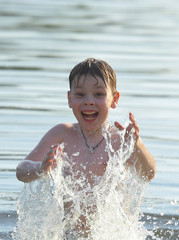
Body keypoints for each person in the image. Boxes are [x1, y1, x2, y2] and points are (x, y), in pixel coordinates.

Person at [16, 58, 156, 237]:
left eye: (99, 94)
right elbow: (21, 171)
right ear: (69, 99)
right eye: (80, 94)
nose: (89, 101)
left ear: (114, 99)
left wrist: (137, 146)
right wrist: (41, 167)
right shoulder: (61, 135)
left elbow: (149, 174)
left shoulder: (121, 141)